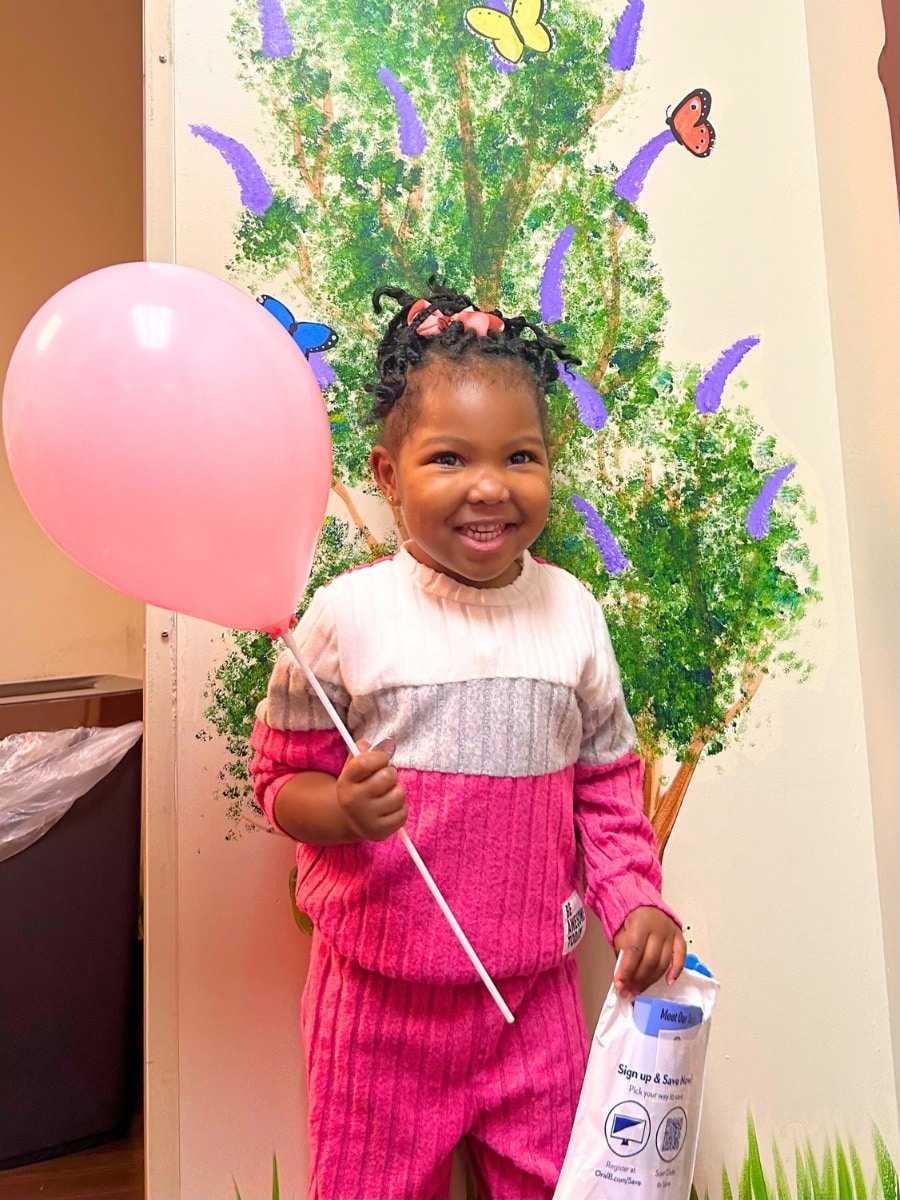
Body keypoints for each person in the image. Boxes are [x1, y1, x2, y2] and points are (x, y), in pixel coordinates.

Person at [250, 282, 686, 1200]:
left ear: (549, 465)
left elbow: (607, 793)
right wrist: (337, 807)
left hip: (535, 1006)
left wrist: (638, 903)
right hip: (377, 1013)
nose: (490, 485)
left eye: (520, 457)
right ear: (385, 473)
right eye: (449, 458)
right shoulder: (344, 618)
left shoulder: (572, 613)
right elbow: (278, 781)